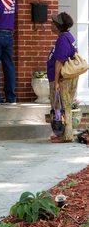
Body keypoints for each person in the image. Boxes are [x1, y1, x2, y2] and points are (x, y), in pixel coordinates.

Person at [47, 12, 78, 143]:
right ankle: (62, 134)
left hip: (62, 79)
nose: (50, 24)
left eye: (53, 23)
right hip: (66, 78)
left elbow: (59, 61)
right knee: (62, 106)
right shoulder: (68, 36)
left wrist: (56, 82)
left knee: (62, 107)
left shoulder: (63, 39)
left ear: (58, 26)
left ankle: (66, 136)